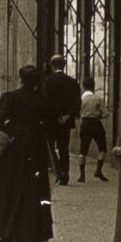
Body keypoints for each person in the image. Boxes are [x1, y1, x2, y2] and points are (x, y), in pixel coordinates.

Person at [0, 65, 55, 242]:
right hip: (36, 149)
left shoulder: (12, 97)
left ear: (20, 79)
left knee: (9, 187)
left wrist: (13, 128)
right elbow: (49, 122)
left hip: (14, 149)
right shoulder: (42, 99)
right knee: (33, 190)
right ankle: (29, 234)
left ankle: (5, 231)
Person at [42, 56, 82, 186]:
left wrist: (56, 115)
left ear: (52, 65)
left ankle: (58, 170)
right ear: (64, 65)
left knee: (50, 147)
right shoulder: (72, 82)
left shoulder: (48, 81)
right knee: (64, 147)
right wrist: (68, 115)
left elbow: (46, 102)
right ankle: (65, 174)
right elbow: (77, 102)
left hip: (51, 121)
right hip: (65, 122)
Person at [75, 78, 110, 182]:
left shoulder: (80, 99)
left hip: (85, 124)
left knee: (83, 150)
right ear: (93, 86)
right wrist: (98, 115)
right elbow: (106, 114)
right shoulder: (98, 98)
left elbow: (77, 114)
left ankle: (82, 175)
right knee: (102, 148)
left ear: (83, 87)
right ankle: (98, 170)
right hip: (96, 124)